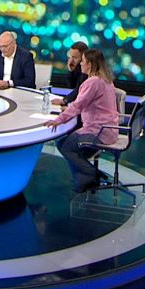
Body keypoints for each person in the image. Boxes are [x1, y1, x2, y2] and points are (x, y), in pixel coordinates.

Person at [44, 48, 120, 192]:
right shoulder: (106, 79)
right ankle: (84, 182)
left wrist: (59, 120)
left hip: (99, 132)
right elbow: (82, 104)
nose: (80, 64)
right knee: (74, 150)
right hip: (110, 130)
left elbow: (78, 106)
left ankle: (92, 173)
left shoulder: (92, 82)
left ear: (90, 64)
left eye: (83, 61)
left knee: (64, 145)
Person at [51, 41, 88, 106]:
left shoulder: (87, 72)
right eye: (71, 57)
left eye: (75, 57)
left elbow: (78, 90)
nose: (71, 60)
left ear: (83, 58)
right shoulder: (77, 69)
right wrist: (71, 71)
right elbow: (71, 86)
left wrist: (64, 100)